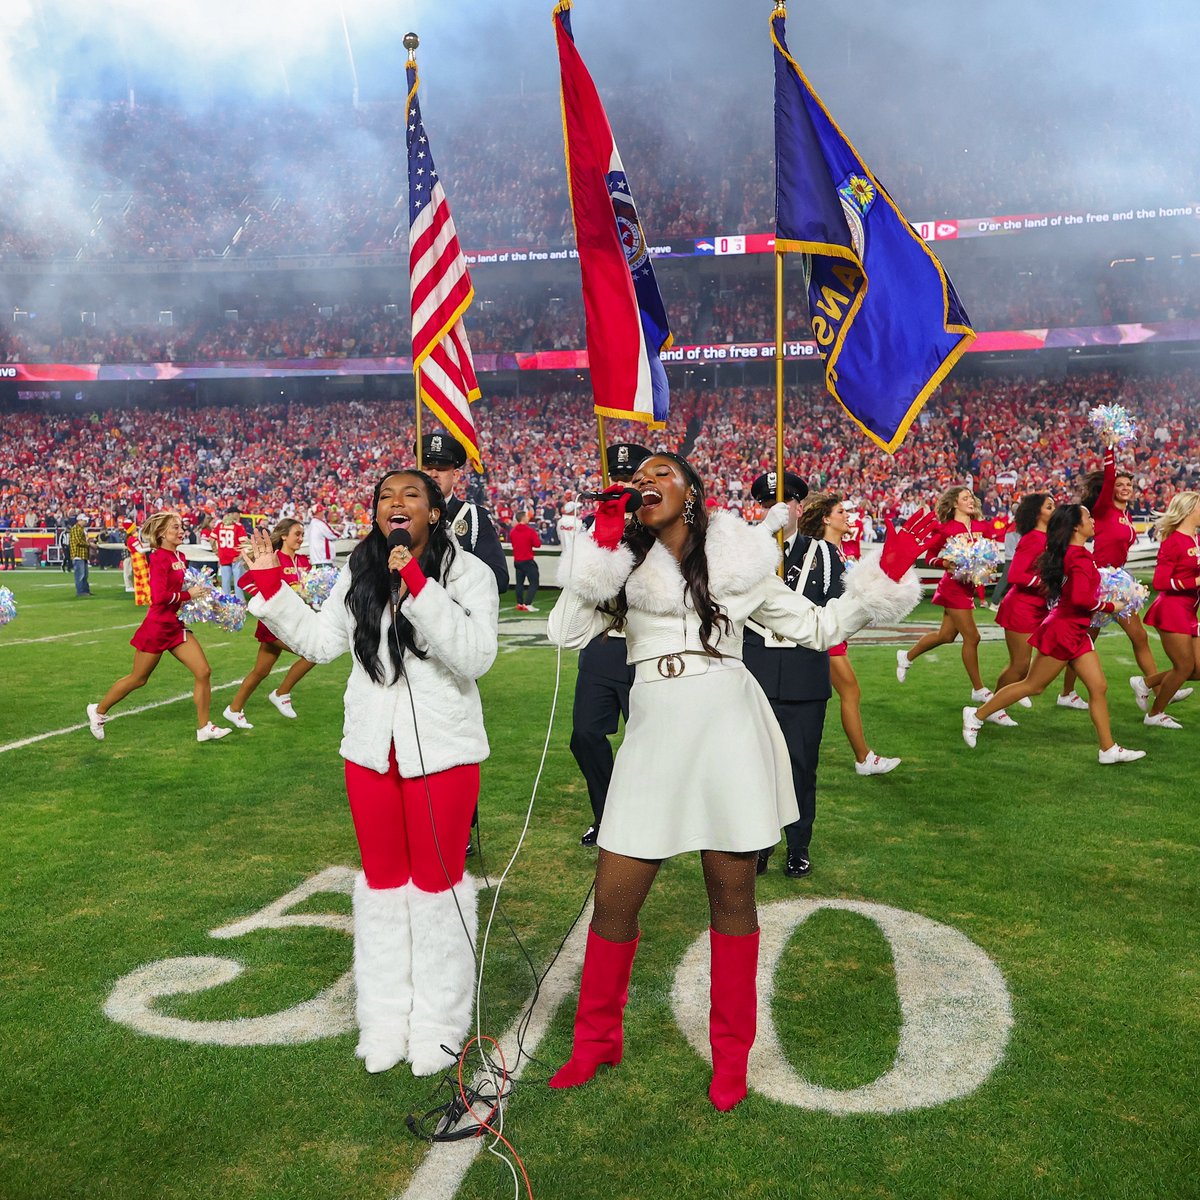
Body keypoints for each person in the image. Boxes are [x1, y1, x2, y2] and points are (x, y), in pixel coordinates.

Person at [546, 452, 933, 1110]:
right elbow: (563, 633)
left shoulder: (740, 560)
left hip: (726, 726)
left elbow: (817, 627)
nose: (647, 483)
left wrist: (883, 578)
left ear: (693, 492)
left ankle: (732, 1057)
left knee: (732, 902)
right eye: (640, 479)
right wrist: (600, 548)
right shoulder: (623, 564)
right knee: (613, 901)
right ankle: (595, 1042)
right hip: (653, 731)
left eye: (663, 474)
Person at [240, 469, 499, 1077]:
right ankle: (383, 1016)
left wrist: (418, 585)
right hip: (369, 753)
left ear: (435, 512)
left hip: (442, 753)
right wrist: (271, 585)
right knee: (382, 889)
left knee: (438, 891)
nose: (396, 503)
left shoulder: (469, 574)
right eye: (385, 496)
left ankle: (438, 1019)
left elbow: (476, 656)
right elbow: (322, 643)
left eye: (411, 494)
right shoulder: (358, 572)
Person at [965, 504, 1146, 765]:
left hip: (1075, 629)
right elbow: (1080, 598)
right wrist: (1111, 605)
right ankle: (976, 715)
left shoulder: (1072, 553)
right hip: (1064, 630)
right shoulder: (1078, 556)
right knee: (1033, 685)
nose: (1093, 521)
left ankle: (1108, 749)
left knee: (1098, 686)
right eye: (1088, 517)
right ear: (1075, 526)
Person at [743, 469, 830, 880]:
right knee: (755, 765)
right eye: (764, 502)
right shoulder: (745, 552)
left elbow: (834, 613)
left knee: (800, 764)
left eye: (784, 501)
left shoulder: (825, 553)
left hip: (803, 673)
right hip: (754, 671)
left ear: (799, 506)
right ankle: (760, 845)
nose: (775, 508)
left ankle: (798, 845)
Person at [565, 442, 649, 847]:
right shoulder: (590, 522)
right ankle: (607, 814)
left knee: (647, 741)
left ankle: (648, 818)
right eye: (615, 476)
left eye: (629, 476)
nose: (620, 483)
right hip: (601, 642)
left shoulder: (657, 524)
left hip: (643, 645)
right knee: (584, 735)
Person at [87, 512, 231, 743]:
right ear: (162, 533)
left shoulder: (181, 556)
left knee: (203, 671)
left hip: (175, 625)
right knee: (138, 679)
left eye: (181, 526)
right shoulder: (159, 558)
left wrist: (205, 595)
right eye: (175, 527)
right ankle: (98, 711)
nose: (181, 531)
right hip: (157, 626)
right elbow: (158, 596)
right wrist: (187, 594)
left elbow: (185, 589)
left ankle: (204, 728)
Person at [800, 491, 903, 777]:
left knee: (825, 696)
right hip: (825, 633)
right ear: (826, 519)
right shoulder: (822, 551)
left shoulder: (835, 550)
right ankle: (863, 758)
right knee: (849, 691)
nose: (847, 516)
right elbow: (823, 596)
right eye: (841, 512)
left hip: (831, 632)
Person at [1068, 440, 1171, 711]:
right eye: (1120, 485)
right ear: (1109, 489)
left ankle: (1156, 688)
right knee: (1085, 638)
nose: (1125, 488)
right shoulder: (1102, 509)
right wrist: (1111, 448)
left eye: (1129, 486)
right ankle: (1156, 688)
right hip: (1101, 581)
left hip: (1118, 580)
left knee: (1105, 638)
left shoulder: (1126, 515)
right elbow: (1110, 475)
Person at [896, 487, 1010, 719]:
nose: (970, 501)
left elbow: (990, 552)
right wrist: (944, 563)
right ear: (955, 503)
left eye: (971, 498)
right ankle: (978, 689)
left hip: (968, 586)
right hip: (952, 587)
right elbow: (929, 557)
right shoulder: (945, 528)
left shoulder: (982, 526)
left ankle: (906, 656)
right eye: (965, 498)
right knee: (973, 637)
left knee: (946, 636)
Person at [222, 518, 318, 730]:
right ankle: (282, 693)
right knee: (312, 653)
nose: (301, 539)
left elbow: (309, 589)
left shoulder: (303, 562)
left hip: (293, 622)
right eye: (297, 534)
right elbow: (244, 581)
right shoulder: (274, 559)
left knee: (260, 671)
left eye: (303, 534)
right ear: (284, 536)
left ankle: (234, 709)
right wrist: (268, 596)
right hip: (275, 625)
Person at [416, 433, 509, 594]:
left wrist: (446, 584)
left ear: (456, 475)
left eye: (442, 469)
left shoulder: (475, 517)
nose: (433, 474)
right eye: (427, 468)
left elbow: (498, 578)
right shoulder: (403, 515)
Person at [1137, 492, 1200, 729]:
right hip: (1173, 609)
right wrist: (1194, 582)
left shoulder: (1196, 539)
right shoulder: (1172, 541)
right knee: (1184, 666)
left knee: (1197, 669)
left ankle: (1146, 683)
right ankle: (1155, 714)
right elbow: (1160, 582)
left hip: (1190, 611)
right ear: (1189, 509)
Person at [991, 493, 1054, 704]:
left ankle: (1012, 694)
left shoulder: (1048, 537)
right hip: (1022, 607)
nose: (1053, 510)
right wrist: (1044, 584)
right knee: (1019, 665)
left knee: (1029, 665)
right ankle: (992, 706)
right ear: (1037, 513)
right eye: (1049, 507)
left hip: (1039, 607)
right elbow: (1015, 575)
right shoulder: (1032, 539)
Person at [209, 509, 249, 600]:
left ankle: (226, 602)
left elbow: (211, 539)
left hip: (223, 557)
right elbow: (245, 543)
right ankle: (240, 601)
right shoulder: (238, 527)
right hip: (236, 557)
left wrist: (216, 552)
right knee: (238, 581)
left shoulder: (219, 526)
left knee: (225, 582)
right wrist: (240, 556)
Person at [510, 510, 542, 612]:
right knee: (534, 582)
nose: (528, 518)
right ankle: (527, 603)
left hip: (517, 560)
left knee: (519, 583)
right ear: (523, 518)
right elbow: (537, 544)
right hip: (527, 560)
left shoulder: (513, 531)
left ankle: (519, 603)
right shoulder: (529, 531)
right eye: (527, 516)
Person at [69, 513, 96, 597]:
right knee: (80, 575)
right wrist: (90, 544)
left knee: (85, 574)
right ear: (80, 520)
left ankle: (85, 591)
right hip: (78, 554)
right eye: (84, 520)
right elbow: (78, 541)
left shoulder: (82, 529)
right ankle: (80, 591)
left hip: (83, 554)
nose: (86, 522)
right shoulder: (76, 528)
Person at [305, 505, 340, 569]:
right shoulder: (320, 523)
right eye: (322, 511)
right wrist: (340, 530)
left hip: (315, 560)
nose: (323, 513)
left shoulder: (312, 524)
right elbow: (334, 535)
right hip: (324, 560)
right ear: (319, 512)